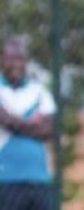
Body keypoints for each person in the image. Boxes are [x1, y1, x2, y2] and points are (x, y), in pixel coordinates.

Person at [0, 37, 55, 210]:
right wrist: (33, 123)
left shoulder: (39, 91)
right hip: (6, 179)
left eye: (21, 59)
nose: (17, 64)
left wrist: (13, 121)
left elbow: (48, 130)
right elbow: (4, 119)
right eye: (11, 58)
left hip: (39, 179)